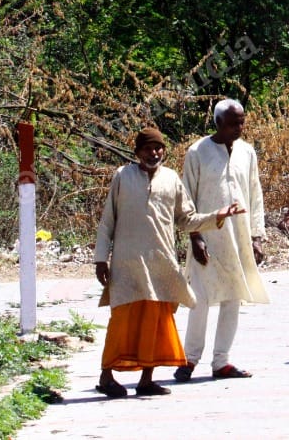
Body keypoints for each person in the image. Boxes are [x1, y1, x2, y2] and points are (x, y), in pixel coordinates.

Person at [93, 127, 246, 398]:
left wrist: (217, 215)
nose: (154, 153)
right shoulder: (122, 177)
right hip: (127, 265)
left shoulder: (172, 179)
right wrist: (101, 259)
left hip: (161, 263)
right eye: (148, 149)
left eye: (158, 148)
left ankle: (146, 380)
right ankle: (106, 376)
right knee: (122, 321)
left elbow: (187, 219)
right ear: (137, 152)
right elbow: (108, 221)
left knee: (157, 321)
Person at [174, 98, 269, 382]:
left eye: (241, 122)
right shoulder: (197, 152)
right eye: (232, 123)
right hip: (207, 234)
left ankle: (221, 362)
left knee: (233, 297)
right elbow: (186, 196)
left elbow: (255, 194)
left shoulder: (247, 152)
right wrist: (195, 236)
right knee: (199, 299)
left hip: (238, 235)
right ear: (217, 123)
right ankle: (189, 360)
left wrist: (256, 237)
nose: (238, 128)